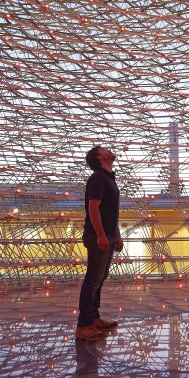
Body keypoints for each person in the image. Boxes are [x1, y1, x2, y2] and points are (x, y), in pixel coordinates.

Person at [76, 145, 123, 340]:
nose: (109, 149)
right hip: (99, 236)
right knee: (93, 280)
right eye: (104, 149)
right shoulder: (98, 178)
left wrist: (116, 234)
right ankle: (84, 325)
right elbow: (93, 208)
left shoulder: (108, 178)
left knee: (100, 278)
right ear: (99, 157)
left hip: (108, 235)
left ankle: (94, 318)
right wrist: (101, 235)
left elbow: (110, 212)